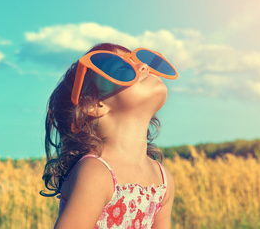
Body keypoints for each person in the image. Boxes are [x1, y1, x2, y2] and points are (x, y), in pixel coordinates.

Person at [40, 43, 178, 228]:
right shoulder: (95, 174)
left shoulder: (163, 180)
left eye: (140, 61)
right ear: (94, 103)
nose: (144, 67)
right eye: (123, 70)